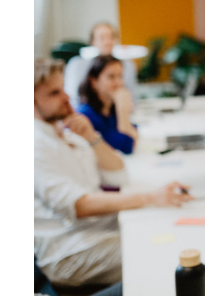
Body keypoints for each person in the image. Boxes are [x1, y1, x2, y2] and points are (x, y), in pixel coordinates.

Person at [34, 58, 193, 287]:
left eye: (64, 90)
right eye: (54, 93)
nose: (66, 98)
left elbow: (118, 174)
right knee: (168, 254)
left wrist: (92, 138)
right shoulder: (34, 143)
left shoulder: (64, 131)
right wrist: (150, 197)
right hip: (71, 252)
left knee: (172, 232)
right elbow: (79, 204)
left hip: (99, 232)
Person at [64, 22, 138, 108]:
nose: (107, 42)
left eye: (111, 37)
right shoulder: (77, 65)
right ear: (93, 41)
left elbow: (131, 98)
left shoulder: (127, 65)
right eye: (102, 38)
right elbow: (72, 98)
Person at [78, 55, 139, 154]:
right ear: (93, 82)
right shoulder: (85, 116)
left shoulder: (111, 110)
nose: (118, 82)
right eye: (111, 77)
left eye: (120, 76)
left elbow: (135, 134)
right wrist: (122, 109)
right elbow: (126, 147)